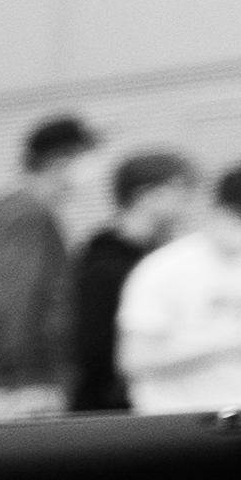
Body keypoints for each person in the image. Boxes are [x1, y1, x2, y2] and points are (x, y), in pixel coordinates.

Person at [117, 157, 241, 415]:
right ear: (218, 210)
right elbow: (134, 360)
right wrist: (220, 346)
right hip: (181, 418)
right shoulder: (162, 269)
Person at [0, 113, 98, 420]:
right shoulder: (28, 217)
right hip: (24, 386)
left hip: (16, 382)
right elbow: (17, 301)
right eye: (87, 158)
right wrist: (28, 379)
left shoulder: (20, 213)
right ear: (60, 160)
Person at [64, 145, 198, 413]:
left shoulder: (161, 261)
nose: (187, 207)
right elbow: (96, 356)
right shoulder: (104, 268)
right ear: (146, 196)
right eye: (180, 195)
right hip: (112, 414)